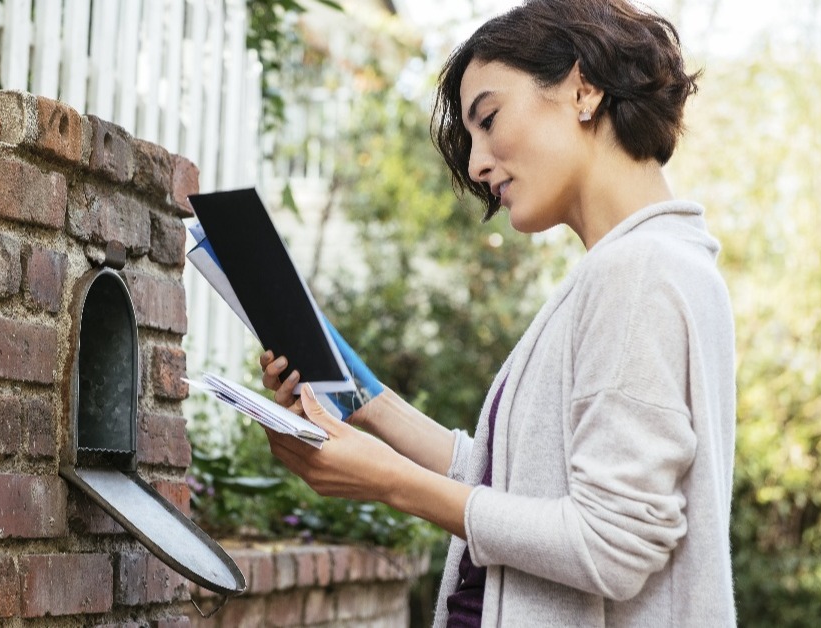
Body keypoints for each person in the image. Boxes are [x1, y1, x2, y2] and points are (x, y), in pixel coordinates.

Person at [256, 0, 738, 625]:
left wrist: (387, 483)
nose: (478, 164)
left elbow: (613, 544)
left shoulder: (639, 271)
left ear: (582, 89)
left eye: (488, 119)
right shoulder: (633, 266)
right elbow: (507, 483)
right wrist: (367, 401)